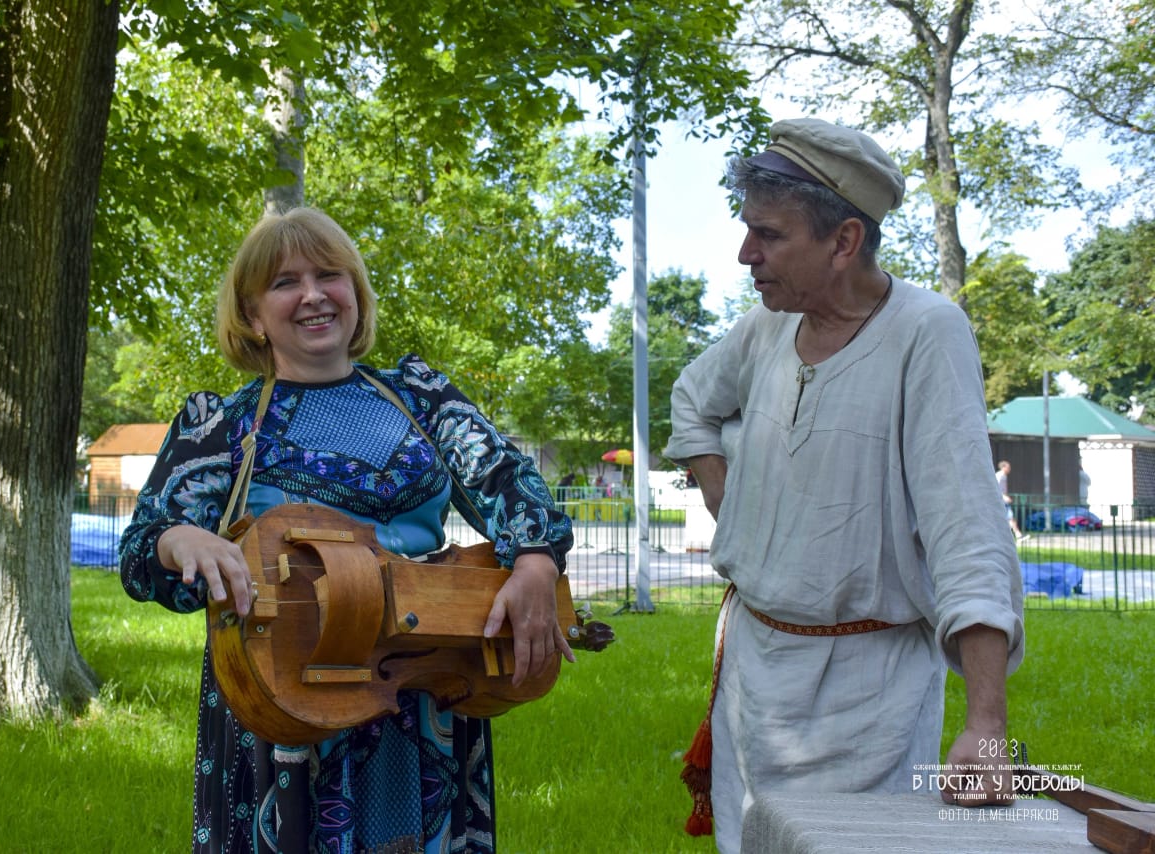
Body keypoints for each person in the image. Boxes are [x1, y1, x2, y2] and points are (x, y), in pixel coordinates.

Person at [118, 206, 575, 853]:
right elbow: (142, 552)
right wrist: (177, 540)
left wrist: (535, 563)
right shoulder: (222, 426)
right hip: (289, 697)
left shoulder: (421, 399)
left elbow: (509, 482)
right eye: (285, 282)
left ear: (355, 294)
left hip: (423, 687)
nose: (312, 295)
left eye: (329, 275)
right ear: (252, 315)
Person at [664, 118, 1025, 853]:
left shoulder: (927, 333)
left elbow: (967, 531)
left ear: (844, 241)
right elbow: (692, 400)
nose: (745, 253)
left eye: (768, 234)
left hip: (869, 697)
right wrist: (723, 496)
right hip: (752, 678)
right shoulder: (766, 328)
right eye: (747, 229)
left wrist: (987, 724)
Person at [996, 460, 1028, 541]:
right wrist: (1004, 497)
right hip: (1001, 500)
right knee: (1010, 517)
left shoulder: (1004, 476)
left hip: (1002, 499)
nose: (1009, 469)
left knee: (1009, 517)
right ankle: (1018, 535)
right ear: (1003, 467)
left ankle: (1015, 534)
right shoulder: (999, 475)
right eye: (1008, 467)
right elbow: (997, 488)